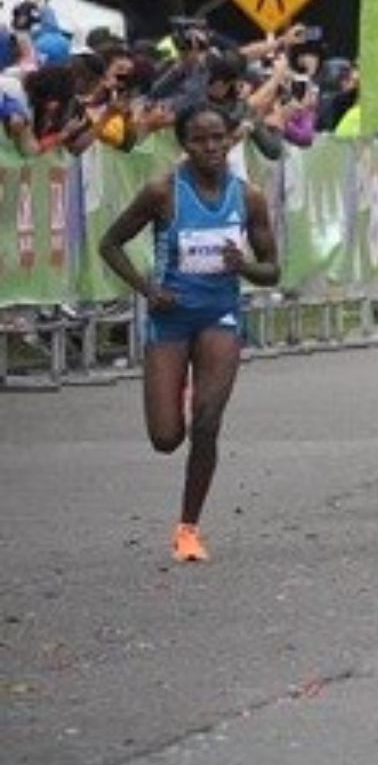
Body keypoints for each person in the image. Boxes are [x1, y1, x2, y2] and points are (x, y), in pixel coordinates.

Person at [98, 105, 280, 562]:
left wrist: (245, 267)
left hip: (220, 315)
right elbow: (110, 243)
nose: (212, 148)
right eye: (200, 140)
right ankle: (176, 389)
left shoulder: (249, 196)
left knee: (208, 422)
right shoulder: (163, 191)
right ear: (184, 144)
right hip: (171, 317)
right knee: (165, 438)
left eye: (219, 138)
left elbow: (273, 270)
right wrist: (147, 288)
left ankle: (188, 528)